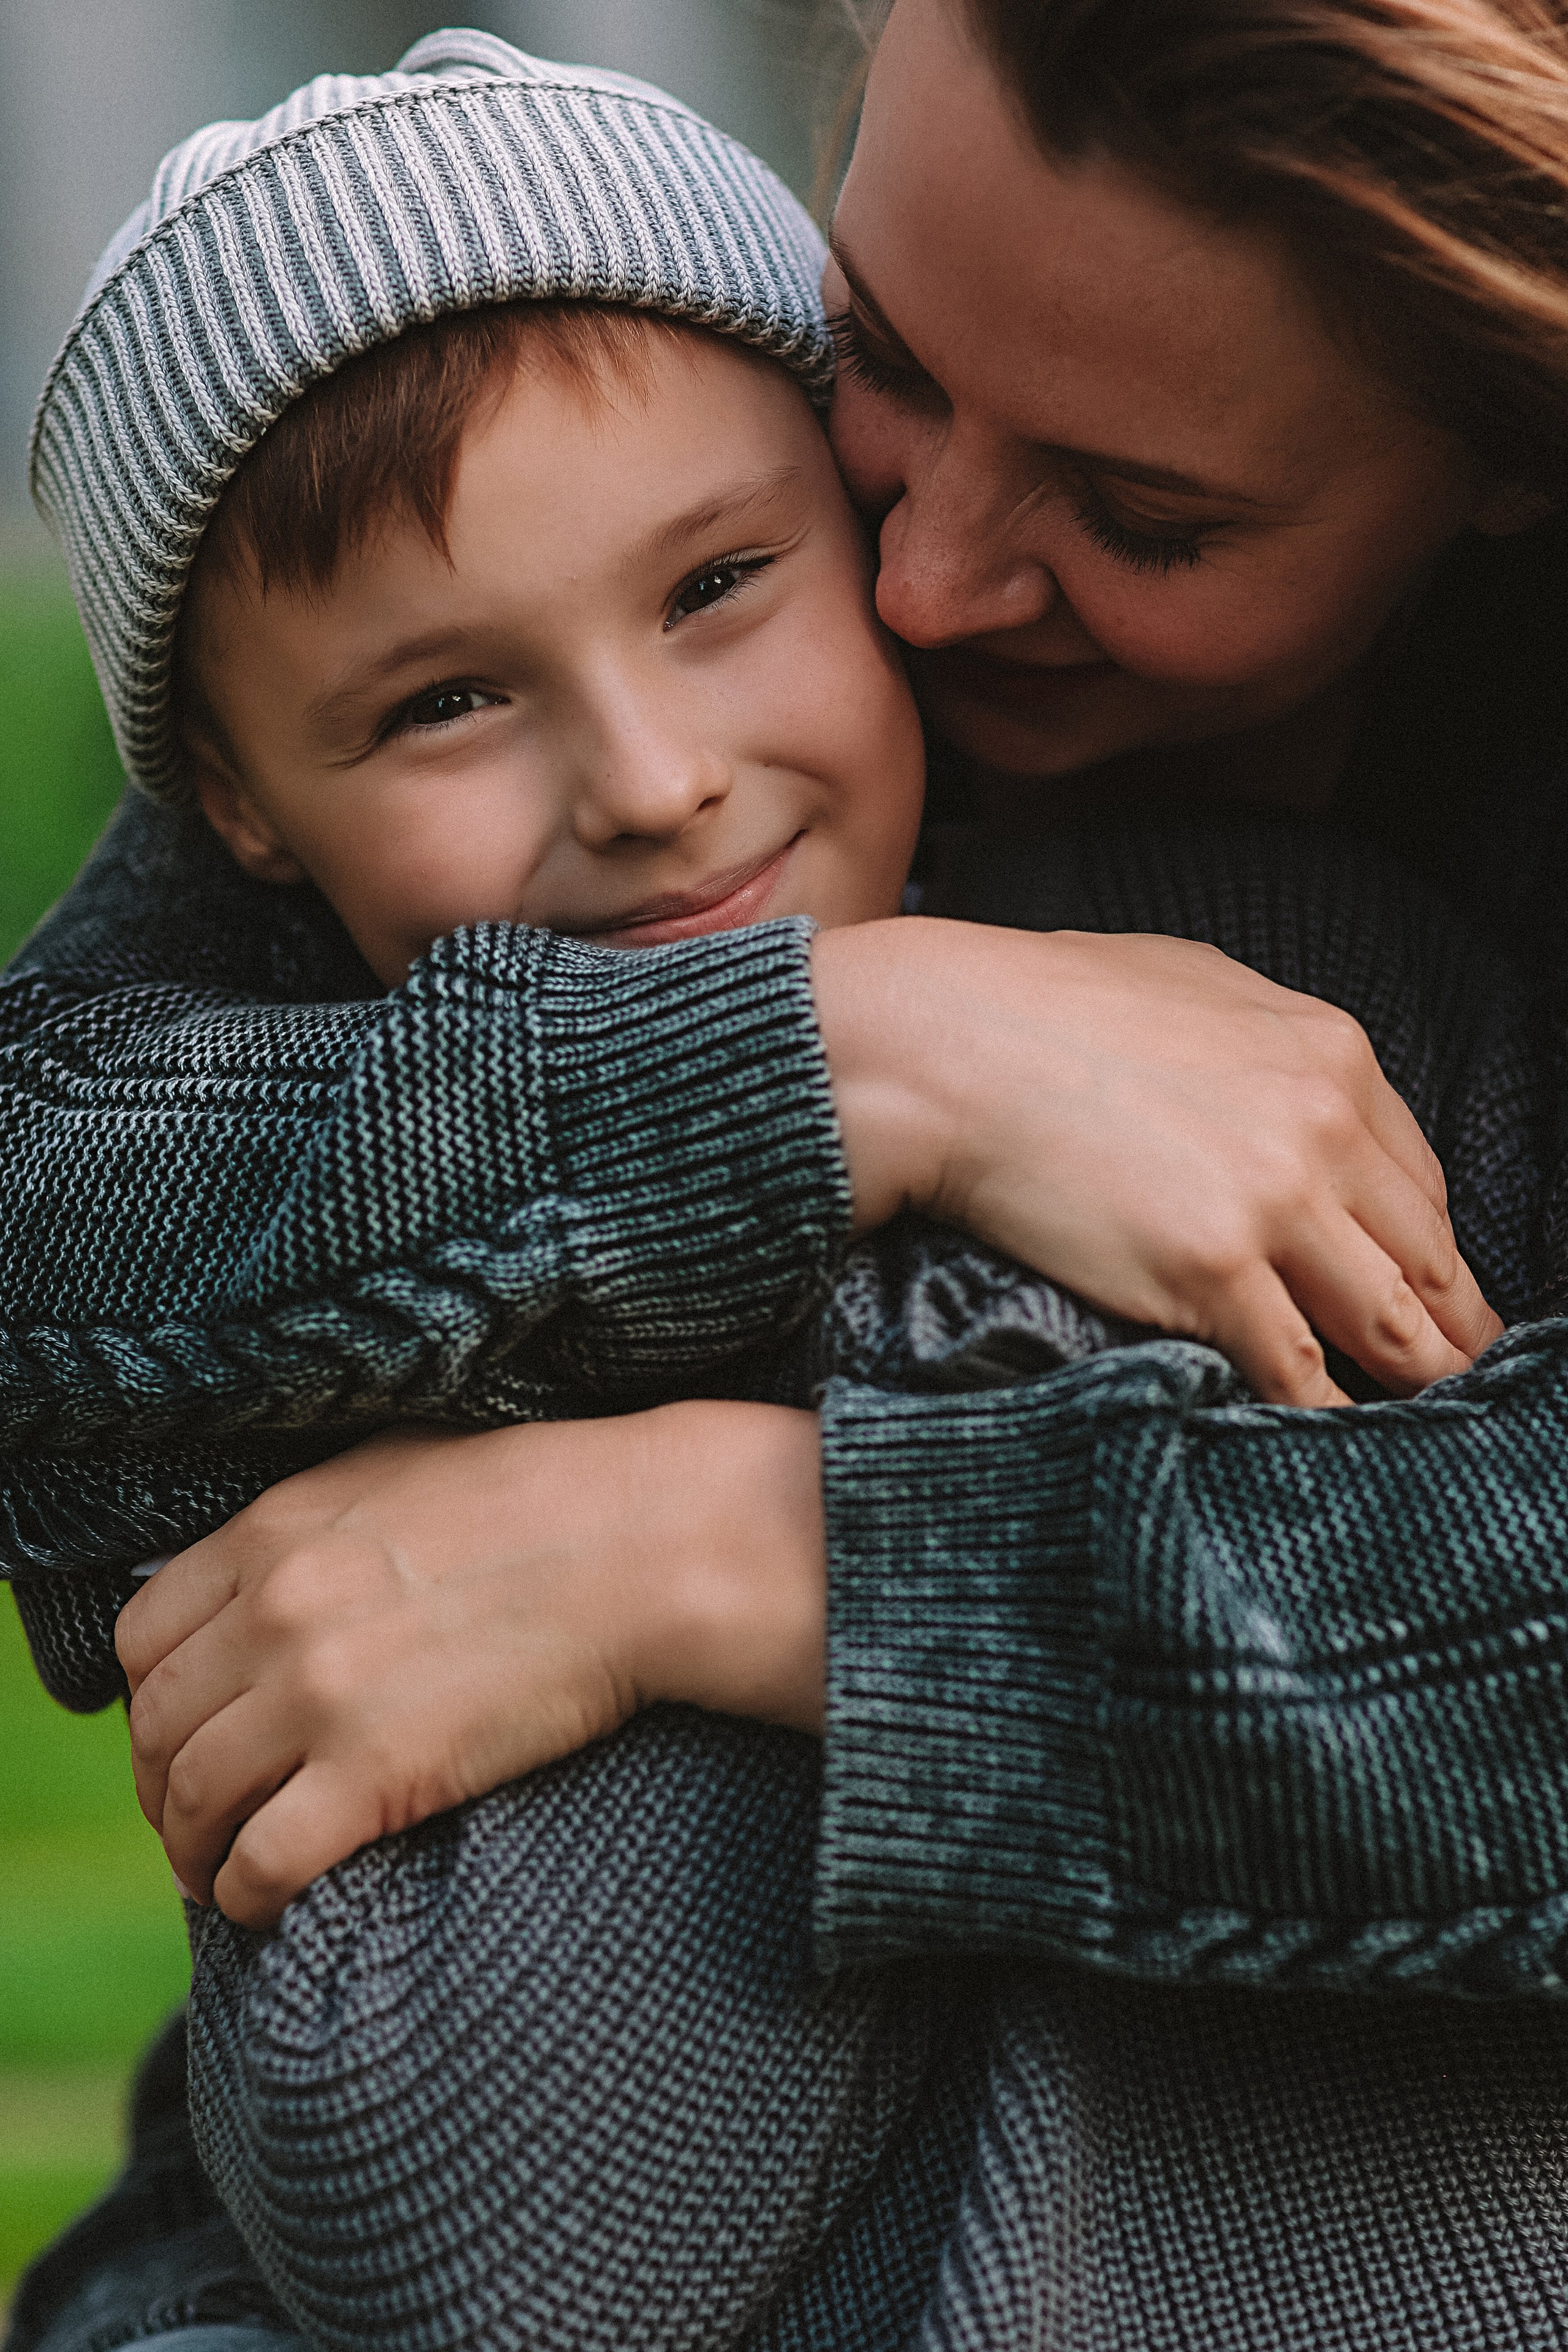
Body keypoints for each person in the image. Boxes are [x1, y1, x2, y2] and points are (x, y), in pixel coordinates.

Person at [6, 10, 1568, 2352]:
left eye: (1141, 513)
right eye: (888, 370)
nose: (921, 586)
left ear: (1506, 480)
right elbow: (55, 1209)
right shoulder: (514, 566)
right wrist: (855, 1051)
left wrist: (743, 1547)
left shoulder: (1410, 993)